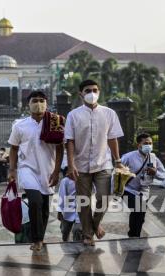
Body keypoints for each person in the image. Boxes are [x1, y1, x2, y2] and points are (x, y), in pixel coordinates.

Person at [65, 79, 124, 246]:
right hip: (80, 165)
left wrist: (118, 160)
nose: (92, 93)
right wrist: (71, 164)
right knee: (84, 202)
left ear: (99, 92)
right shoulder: (73, 115)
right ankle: (88, 235)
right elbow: (69, 141)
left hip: (103, 163)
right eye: (88, 90)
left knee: (104, 197)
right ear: (81, 94)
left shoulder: (109, 113)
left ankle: (95, 224)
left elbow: (112, 138)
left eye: (95, 90)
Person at [8, 90, 64, 251]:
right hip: (27, 169)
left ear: (46, 103)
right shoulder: (20, 125)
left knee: (45, 207)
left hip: (48, 169)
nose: (38, 104)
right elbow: (13, 148)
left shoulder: (55, 122)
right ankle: (37, 239)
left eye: (41, 100)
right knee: (35, 201)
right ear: (28, 104)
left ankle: (41, 236)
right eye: (35, 101)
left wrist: (56, 171)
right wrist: (12, 169)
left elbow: (60, 149)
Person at [121, 133, 165, 237]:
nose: (149, 145)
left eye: (150, 143)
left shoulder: (154, 158)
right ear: (139, 145)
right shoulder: (128, 157)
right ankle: (134, 236)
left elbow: (164, 176)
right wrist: (113, 191)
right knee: (138, 208)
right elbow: (117, 172)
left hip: (144, 191)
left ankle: (135, 235)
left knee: (140, 215)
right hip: (128, 189)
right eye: (146, 143)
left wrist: (155, 172)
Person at [57, 167, 83, 242]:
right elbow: (62, 196)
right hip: (68, 211)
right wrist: (59, 211)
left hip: (81, 211)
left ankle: (77, 246)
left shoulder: (83, 180)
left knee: (78, 230)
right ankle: (65, 243)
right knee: (65, 231)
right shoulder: (65, 181)